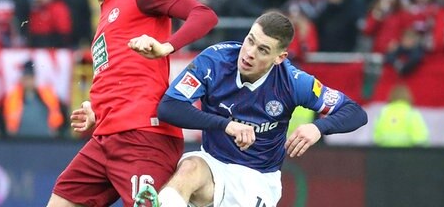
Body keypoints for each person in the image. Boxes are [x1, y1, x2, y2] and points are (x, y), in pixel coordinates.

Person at [46, 0, 218, 207]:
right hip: (104, 137)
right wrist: (96, 111)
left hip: (144, 137)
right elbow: (121, 74)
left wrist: (166, 46)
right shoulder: (104, 16)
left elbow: (204, 15)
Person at [135, 11, 367, 207]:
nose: (249, 53)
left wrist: (318, 128)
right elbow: (169, 107)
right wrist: (226, 125)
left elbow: (355, 112)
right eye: (250, 40)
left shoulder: (294, 82)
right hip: (213, 162)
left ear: (280, 57)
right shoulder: (214, 61)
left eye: (263, 50)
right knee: (189, 170)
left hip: (258, 179)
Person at [0, 60, 64, 138]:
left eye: (30, 78)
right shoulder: (14, 96)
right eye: (26, 78)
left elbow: (55, 114)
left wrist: (54, 130)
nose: (28, 82)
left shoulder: (46, 95)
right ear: (22, 79)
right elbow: (8, 120)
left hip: (45, 140)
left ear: (34, 79)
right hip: (21, 141)